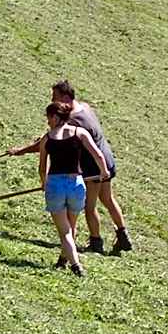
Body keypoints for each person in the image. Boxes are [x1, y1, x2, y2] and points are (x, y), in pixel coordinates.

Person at [9, 80, 133, 254]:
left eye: (55, 98)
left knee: (90, 207)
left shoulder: (73, 122)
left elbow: (47, 144)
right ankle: (123, 235)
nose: (52, 101)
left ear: (66, 98)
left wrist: (20, 151)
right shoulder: (85, 107)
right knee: (108, 198)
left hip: (93, 165)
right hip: (106, 159)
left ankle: (96, 243)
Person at [39, 102, 109, 277]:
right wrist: (104, 172)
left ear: (55, 117)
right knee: (72, 225)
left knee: (65, 231)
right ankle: (63, 259)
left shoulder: (47, 138)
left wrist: (43, 182)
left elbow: (42, 167)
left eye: (48, 118)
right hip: (76, 184)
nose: (47, 122)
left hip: (55, 185)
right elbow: (98, 154)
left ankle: (76, 265)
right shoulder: (80, 133)